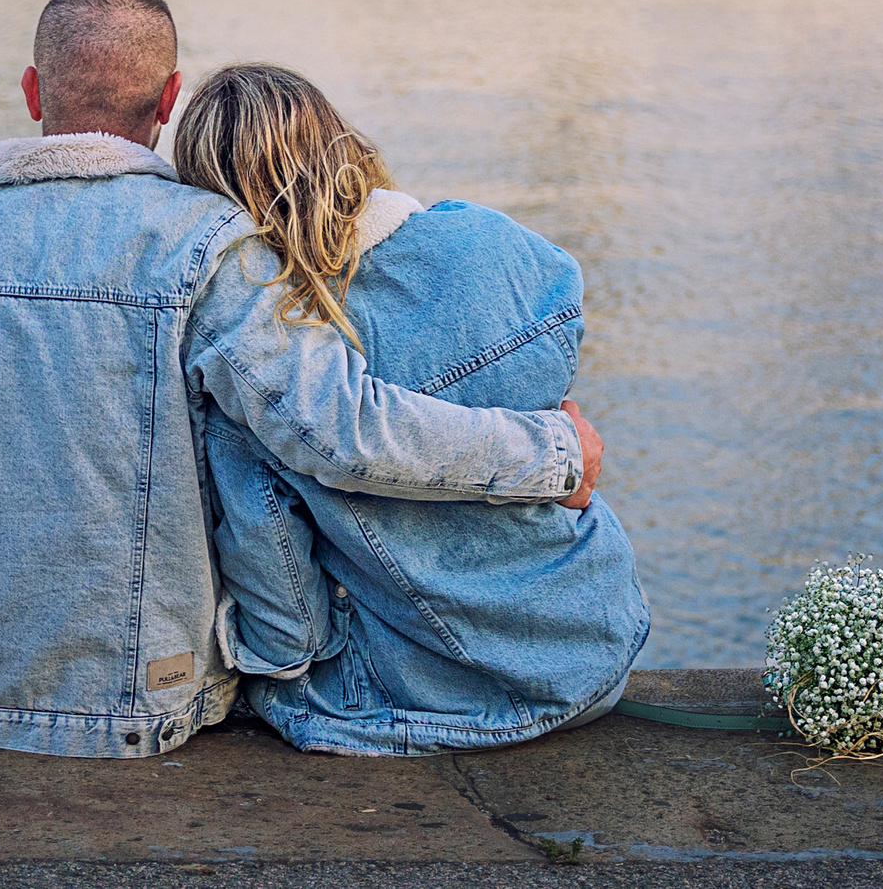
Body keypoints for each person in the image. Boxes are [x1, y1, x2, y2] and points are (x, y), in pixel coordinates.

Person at [0, 0, 603, 760]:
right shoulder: (209, 247)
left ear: (33, 89)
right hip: (141, 702)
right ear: (169, 98)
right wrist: (553, 452)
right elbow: (340, 433)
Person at [176, 62, 650, 755]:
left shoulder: (288, 358)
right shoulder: (494, 241)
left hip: (440, 693)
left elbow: (286, 606)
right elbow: (562, 326)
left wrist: (270, 672)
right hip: (599, 643)